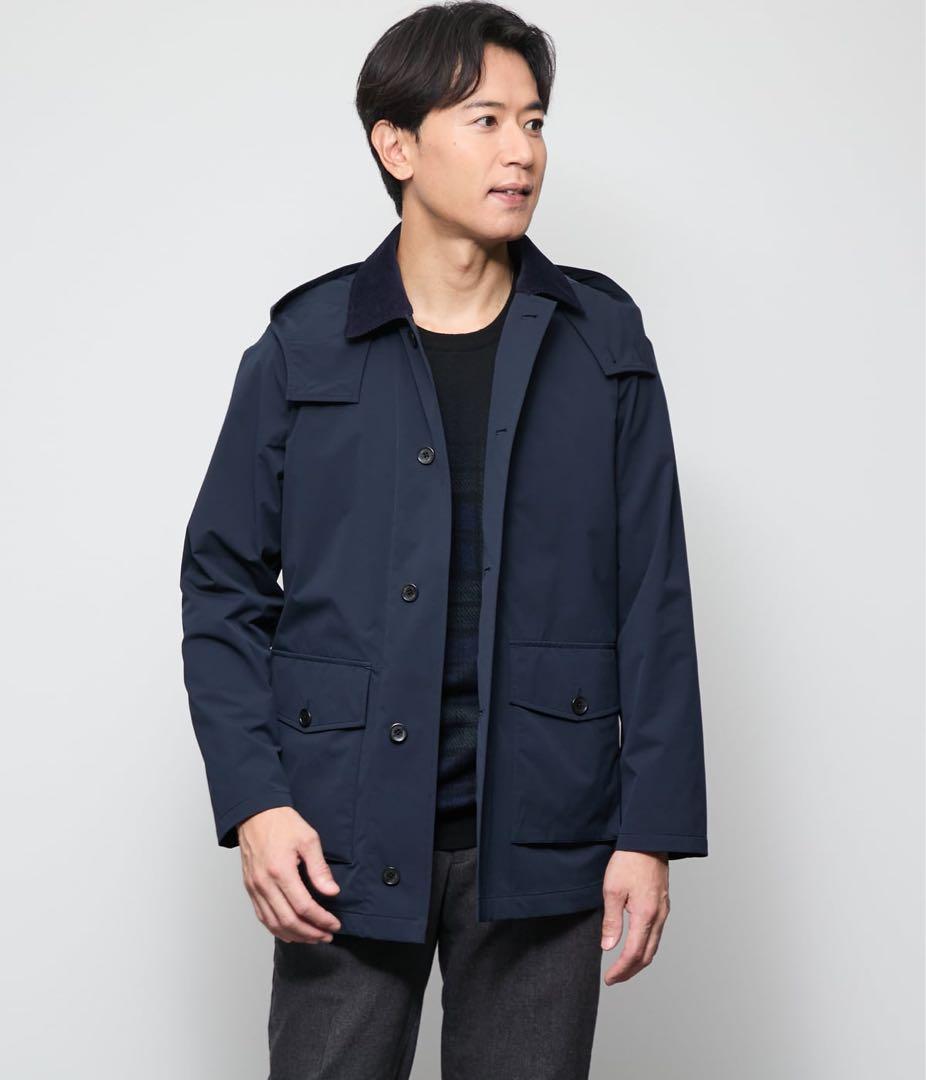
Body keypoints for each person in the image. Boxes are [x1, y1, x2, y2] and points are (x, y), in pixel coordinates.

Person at [179, 3, 708, 1077]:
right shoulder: (305, 346)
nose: (522, 150)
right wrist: (257, 800)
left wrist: (648, 832)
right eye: (486, 119)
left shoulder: (601, 342)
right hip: (339, 834)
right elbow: (221, 584)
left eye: (535, 120)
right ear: (398, 144)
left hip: (546, 835)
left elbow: (653, 595)